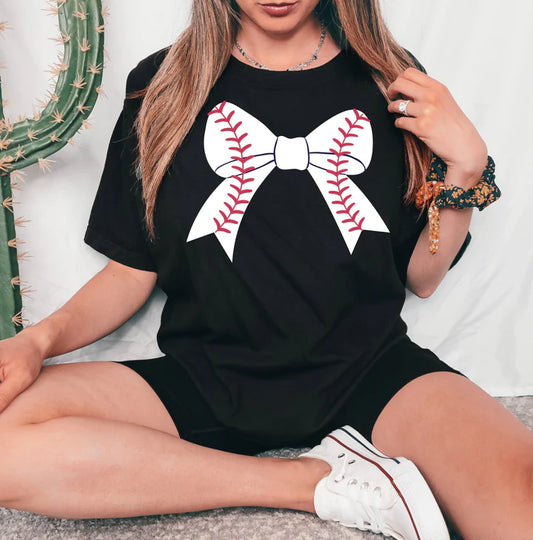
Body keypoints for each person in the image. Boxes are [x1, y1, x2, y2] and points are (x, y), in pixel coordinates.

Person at [0, 1, 530, 539]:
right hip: (203, 378)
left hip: (372, 372)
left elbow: (423, 277)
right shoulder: (161, 85)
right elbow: (130, 272)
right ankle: (306, 482)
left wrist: (466, 169)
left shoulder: (392, 81)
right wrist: (36, 343)